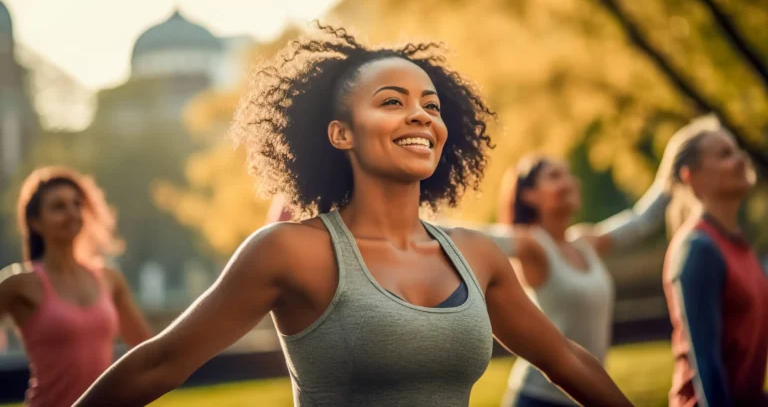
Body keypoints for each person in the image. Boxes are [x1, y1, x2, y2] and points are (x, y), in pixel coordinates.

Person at [75, 24, 632, 407]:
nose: (419, 114)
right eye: (391, 101)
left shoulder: (477, 256)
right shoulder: (290, 251)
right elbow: (159, 364)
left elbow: (565, 360)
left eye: (430, 105)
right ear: (340, 133)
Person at [486, 154, 669, 407]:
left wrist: (674, 165)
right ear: (529, 195)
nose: (569, 182)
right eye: (554, 176)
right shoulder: (533, 245)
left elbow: (641, 221)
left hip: (585, 393)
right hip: (538, 398)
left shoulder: (585, 242)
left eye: (568, 174)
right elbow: (480, 238)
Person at [0, 167, 152, 407]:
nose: (71, 213)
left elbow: (146, 350)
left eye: (76, 204)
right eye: (58, 207)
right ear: (36, 222)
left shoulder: (109, 279)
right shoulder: (20, 284)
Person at [662, 119, 768, 407]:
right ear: (691, 177)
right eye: (724, 154)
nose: (741, 159)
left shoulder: (739, 244)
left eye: (737, 150)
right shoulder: (697, 248)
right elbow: (707, 364)